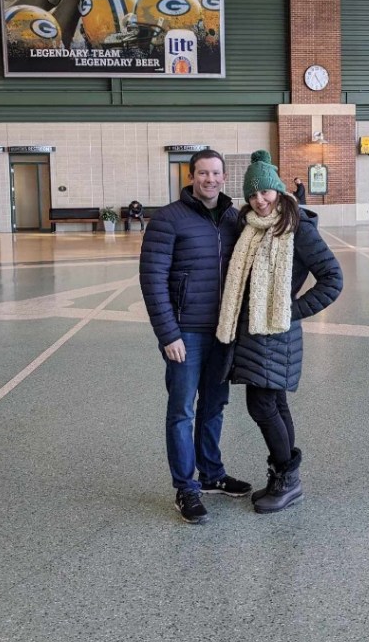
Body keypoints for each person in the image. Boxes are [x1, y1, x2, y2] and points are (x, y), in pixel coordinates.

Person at [216, 150, 343, 515]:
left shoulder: (296, 227)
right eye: (253, 195)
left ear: (279, 190)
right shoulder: (251, 226)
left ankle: (287, 478)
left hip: (275, 332)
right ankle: (283, 478)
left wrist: (291, 312)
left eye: (266, 192)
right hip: (254, 334)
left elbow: (333, 279)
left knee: (262, 404)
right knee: (275, 403)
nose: (260, 200)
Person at [139, 149, 251, 525]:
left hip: (223, 332)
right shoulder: (168, 219)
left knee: (214, 407)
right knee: (182, 411)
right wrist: (168, 333)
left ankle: (212, 474)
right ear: (191, 176)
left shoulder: (234, 219)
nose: (210, 179)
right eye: (203, 173)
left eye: (216, 173)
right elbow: (152, 280)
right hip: (185, 332)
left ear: (224, 176)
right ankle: (185, 487)